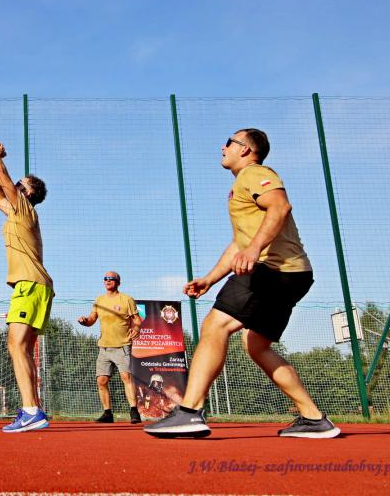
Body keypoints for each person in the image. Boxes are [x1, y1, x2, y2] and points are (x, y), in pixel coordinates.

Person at [145, 129, 340, 439]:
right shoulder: (241, 187)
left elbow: (280, 207)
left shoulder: (255, 173)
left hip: (272, 270)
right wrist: (210, 278)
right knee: (257, 345)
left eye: (229, 142)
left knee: (215, 325)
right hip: (293, 273)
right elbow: (239, 243)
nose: (223, 147)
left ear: (246, 150)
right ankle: (313, 418)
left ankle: (190, 412)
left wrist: (255, 249)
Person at [0, 142, 53, 433]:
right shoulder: (15, 213)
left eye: (19, 185)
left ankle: (31, 411)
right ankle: (33, 408)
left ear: (27, 194)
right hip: (34, 286)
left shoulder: (25, 209)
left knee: (15, 345)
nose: (14, 186)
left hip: (30, 285)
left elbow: (3, 178)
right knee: (22, 348)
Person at [77, 271, 142, 424]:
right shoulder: (99, 300)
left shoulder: (126, 299)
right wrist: (85, 321)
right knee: (101, 380)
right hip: (104, 348)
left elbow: (137, 320)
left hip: (122, 346)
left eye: (111, 279)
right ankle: (107, 414)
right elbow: (92, 319)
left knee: (126, 377)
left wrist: (137, 328)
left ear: (118, 282)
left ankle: (134, 412)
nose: (108, 280)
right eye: (105, 278)